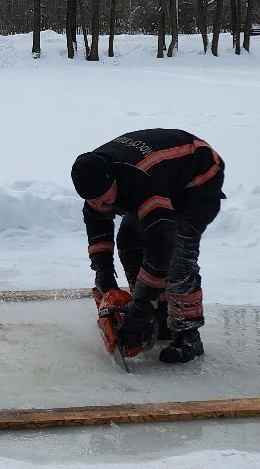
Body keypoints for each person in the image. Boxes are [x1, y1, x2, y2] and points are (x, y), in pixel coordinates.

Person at [69, 130, 226, 364]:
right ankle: (159, 316)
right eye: (93, 201)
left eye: (103, 198)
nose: (99, 205)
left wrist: (141, 302)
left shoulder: (140, 179)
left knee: (177, 256)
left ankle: (188, 335)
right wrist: (103, 272)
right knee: (129, 240)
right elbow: (97, 225)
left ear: (114, 180)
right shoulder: (94, 179)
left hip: (197, 180)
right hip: (161, 178)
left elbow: (161, 243)